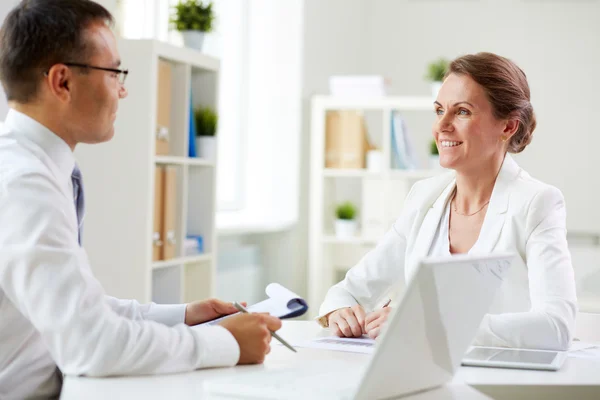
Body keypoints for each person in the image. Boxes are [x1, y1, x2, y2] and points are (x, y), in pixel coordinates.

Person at [0, 1, 281, 398]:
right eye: (114, 72)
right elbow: (90, 343)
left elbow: (80, 308)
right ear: (62, 82)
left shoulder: (35, 168)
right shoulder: (22, 183)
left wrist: (184, 317)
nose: (123, 89)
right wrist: (226, 345)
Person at [317, 52, 577, 351]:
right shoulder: (424, 198)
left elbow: (555, 327)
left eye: (462, 111)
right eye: (439, 110)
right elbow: (349, 290)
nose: (442, 125)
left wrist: (430, 325)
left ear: (508, 127)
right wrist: (340, 310)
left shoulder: (537, 203)